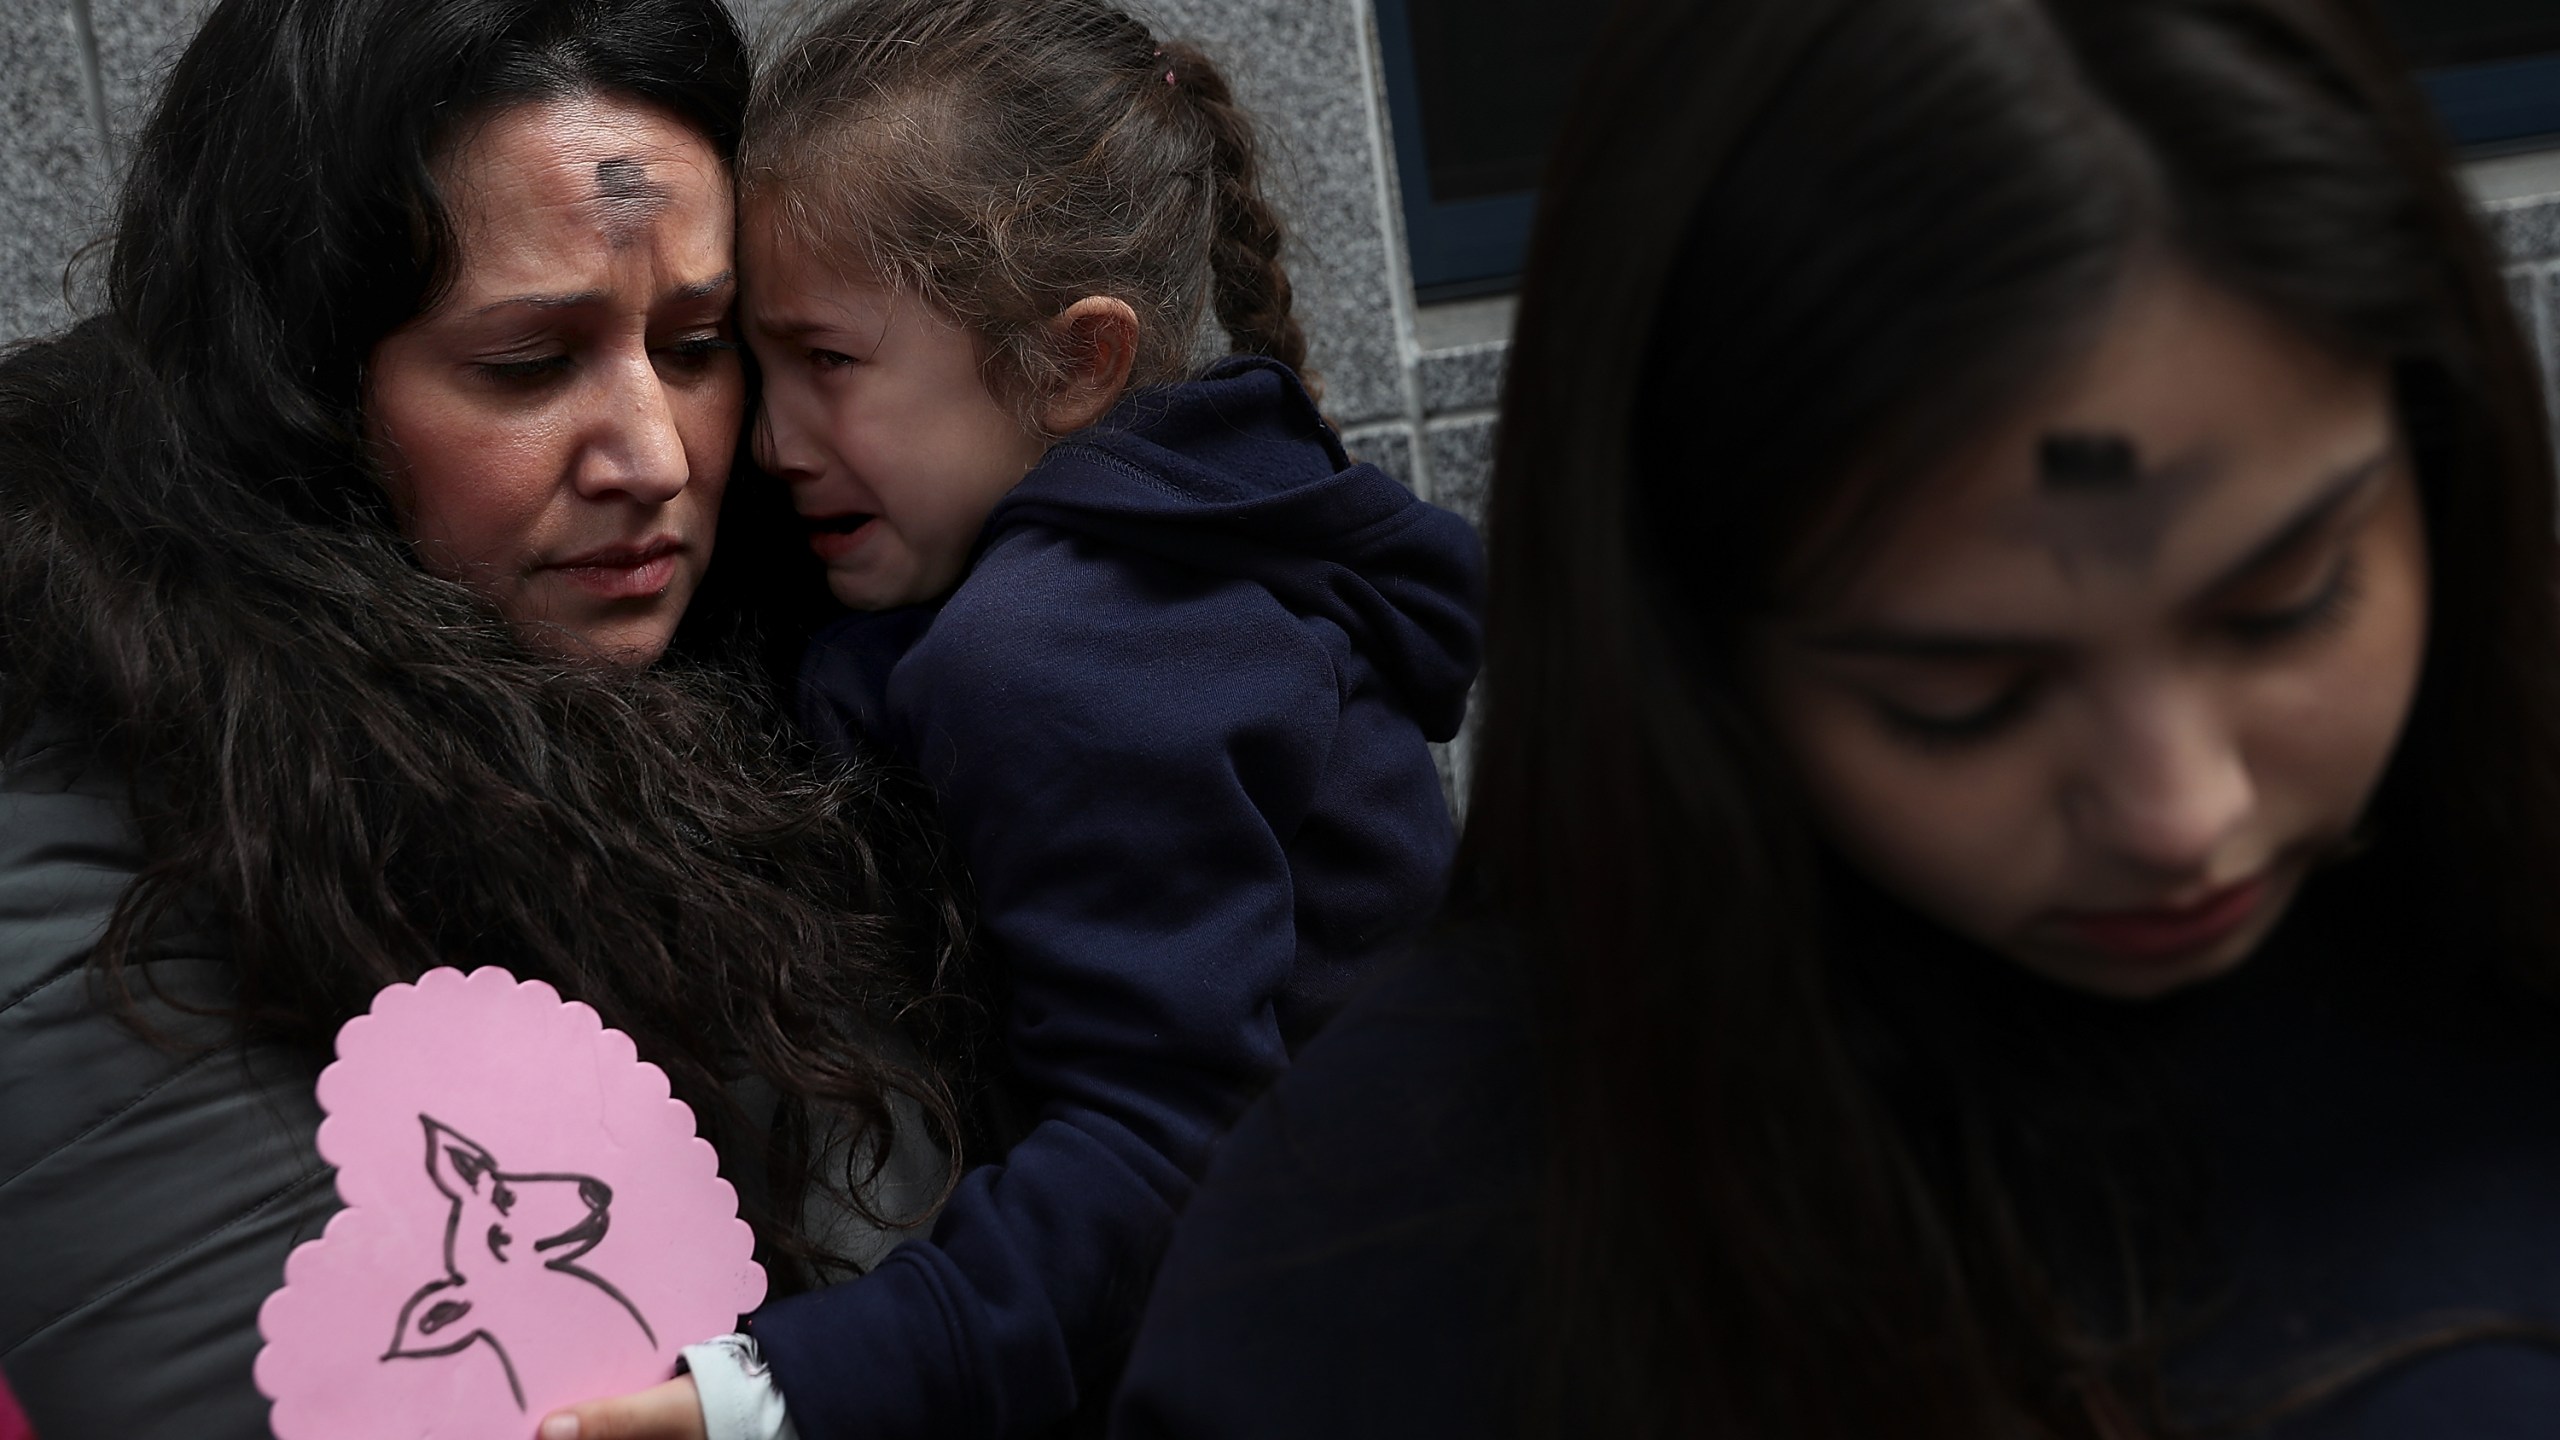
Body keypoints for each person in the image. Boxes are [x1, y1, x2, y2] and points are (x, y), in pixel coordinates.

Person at [1111, 0, 2560, 1436]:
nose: (2181, 813)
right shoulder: (1377, 1269)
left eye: (2285, 604)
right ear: (1692, 642)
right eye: (1964, 694)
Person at [0, 1, 963, 1435]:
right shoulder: (104, 844)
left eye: (697, 343)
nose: (653, 456)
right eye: (527, 364)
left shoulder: (792, 633)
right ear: (306, 392)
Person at [549, 2, 1482, 1435]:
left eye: (831, 362)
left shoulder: (1061, 646)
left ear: (1072, 362)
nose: (770, 440)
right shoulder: (1194, 544)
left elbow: (1161, 1160)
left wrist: (764, 1397)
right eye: (751, 358)